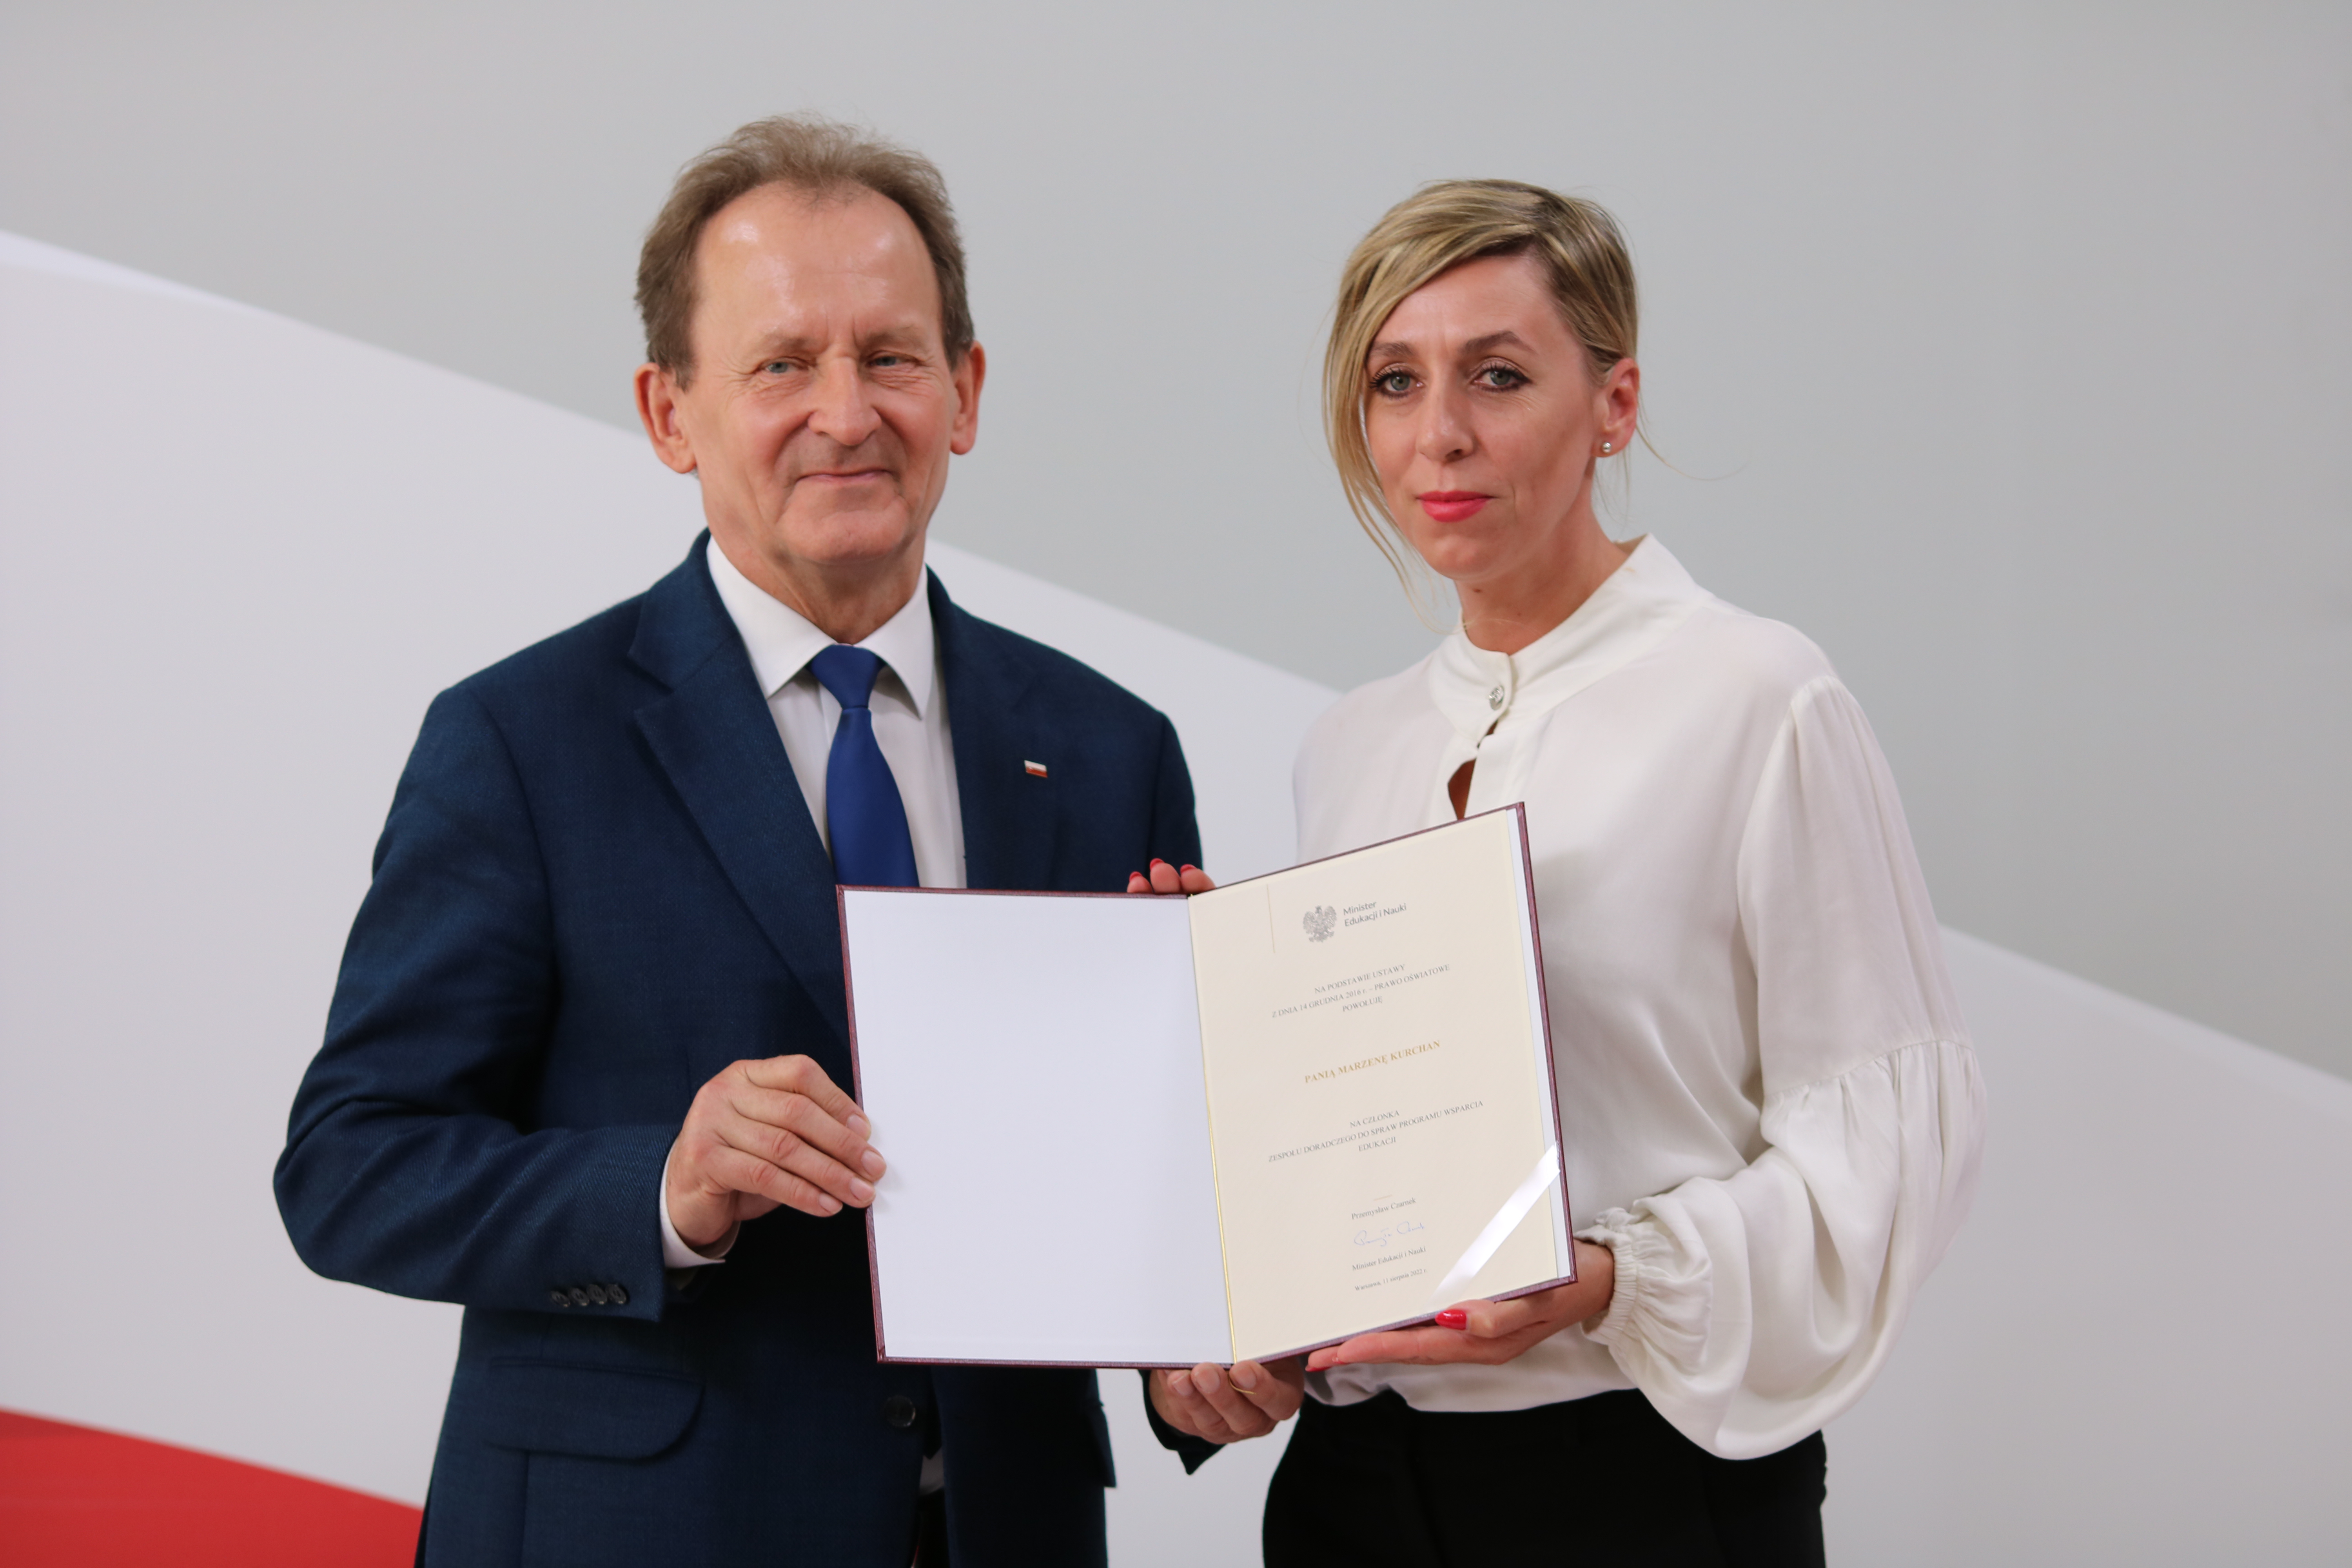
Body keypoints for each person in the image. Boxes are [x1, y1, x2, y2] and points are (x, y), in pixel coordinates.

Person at [274, 115, 1201, 1567]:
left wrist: (1207, 1358)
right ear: (670, 414)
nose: (846, 411)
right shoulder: (522, 740)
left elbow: (1140, 1198)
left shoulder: (1108, 747)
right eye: (781, 364)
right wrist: (668, 1188)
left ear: (963, 392)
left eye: (890, 356)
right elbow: (352, 1169)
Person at [1143, 180, 1986, 1565]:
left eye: (1498, 375)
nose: (1441, 433)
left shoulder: (1760, 698)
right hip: (1354, 1489)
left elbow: (1888, 1155)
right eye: (1396, 382)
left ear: (1615, 404)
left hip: (1639, 1487)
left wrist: (1609, 1280)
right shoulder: (1350, 745)